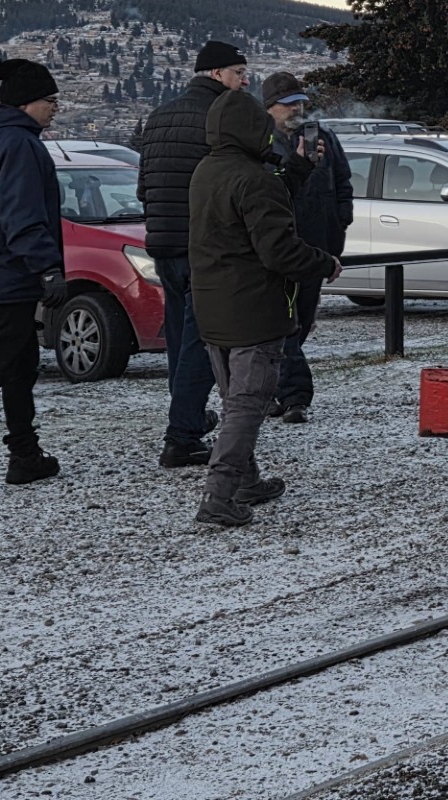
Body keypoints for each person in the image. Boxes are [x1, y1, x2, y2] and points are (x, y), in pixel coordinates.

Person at [187, 88, 339, 527]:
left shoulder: (208, 171)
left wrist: (298, 168)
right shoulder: (252, 178)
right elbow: (279, 251)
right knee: (247, 405)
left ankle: (246, 481)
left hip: (214, 306)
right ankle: (218, 495)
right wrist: (324, 262)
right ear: (252, 129)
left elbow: (261, 203)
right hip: (254, 309)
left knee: (236, 399)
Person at [137, 39, 250, 467]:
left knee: (180, 338)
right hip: (202, 246)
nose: (244, 81)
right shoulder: (220, 118)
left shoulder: (160, 116)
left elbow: (144, 186)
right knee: (203, 341)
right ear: (218, 74)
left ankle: (186, 417)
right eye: (239, 73)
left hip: (162, 242)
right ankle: (181, 435)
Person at [0, 57, 65, 489]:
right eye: (50, 100)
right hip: (5, 279)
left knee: (19, 367)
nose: (55, 108)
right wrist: (47, 267)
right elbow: (23, 214)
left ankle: (25, 455)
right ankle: (24, 454)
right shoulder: (17, 144)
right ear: (27, 103)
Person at [261, 72, 353, 424]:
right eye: (289, 104)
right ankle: (291, 393)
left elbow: (343, 183)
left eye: (300, 102)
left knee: (300, 322)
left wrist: (339, 223)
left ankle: (282, 391)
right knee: (279, 323)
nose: (297, 109)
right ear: (270, 108)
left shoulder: (323, 138)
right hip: (275, 245)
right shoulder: (257, 141)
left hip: (316, 245)